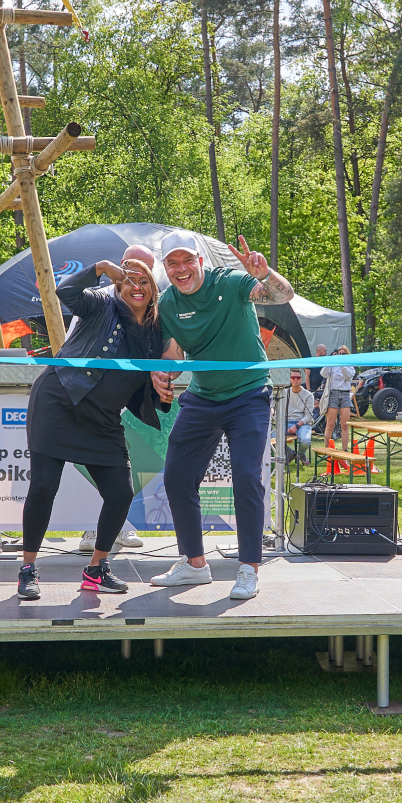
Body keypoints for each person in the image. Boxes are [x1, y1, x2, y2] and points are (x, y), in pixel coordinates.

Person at [148, 232, 295, 600]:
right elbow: (172, 356)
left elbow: (283, 295)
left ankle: (248, 569)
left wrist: (265, 274)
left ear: (199, 260)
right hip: (203, 396)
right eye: (173, 263)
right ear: (165, 268)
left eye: (187, 261)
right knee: (177, 476)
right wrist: (161, 375)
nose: (181, 269)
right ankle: (194, 565)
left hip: (249, 394)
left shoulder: (229, 282)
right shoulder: (166, 304)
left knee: (246, 476)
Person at [16, 246, 164, 600]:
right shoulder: (101, 302)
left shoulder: (156, 327)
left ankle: (96, 569)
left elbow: (153, 372)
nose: (137, 287)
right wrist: (98, 268)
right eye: (130, 281)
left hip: (103, 420)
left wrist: (161, 387)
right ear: (119, 284)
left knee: (120, 494)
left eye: (144, 281)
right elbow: (64, 291)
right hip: (59, 402)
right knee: (43, 488)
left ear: (154, 288)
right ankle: (27, 569)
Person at [321, 346, 357, 444]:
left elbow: (348, 376)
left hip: (345, 394)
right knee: (330, 424)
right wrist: (331, 361)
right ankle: (326, 451)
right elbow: (323, 374)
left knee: (344, 425)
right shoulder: (333, 364)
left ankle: (344, 451)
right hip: (333, 393)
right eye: (339, 354)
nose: (341, 355)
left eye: (343, 354)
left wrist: (342, 364)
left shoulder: (349, 366)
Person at [281, 369, 317, 461]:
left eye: (298, 377)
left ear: (301, 379)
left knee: (305, 441)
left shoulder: (308, 395)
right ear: (290, 379)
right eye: (293, 377)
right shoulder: (284, 393)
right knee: (269, 438)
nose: (295, 379)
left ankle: (301, 454)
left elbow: (308, 416)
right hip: (286, 422)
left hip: (302, 424)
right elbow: (279, 411)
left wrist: (296, 426)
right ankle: (290, 453)